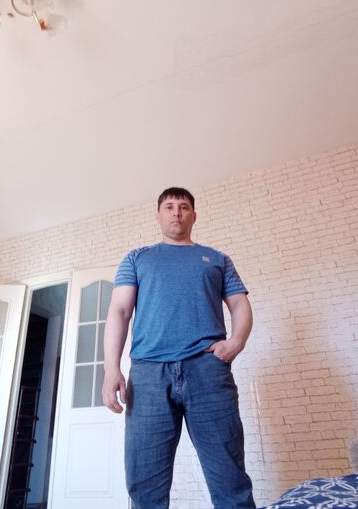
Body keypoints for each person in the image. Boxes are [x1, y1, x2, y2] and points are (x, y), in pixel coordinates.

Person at [102, 187, 255, 509]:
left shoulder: (217, 259)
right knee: (144, 483)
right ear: (158, 216)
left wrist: (236, 342)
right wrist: (111, 368)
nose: (176, 212)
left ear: (193, 216)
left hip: (207, 370)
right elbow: (119, 311)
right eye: (169, 207)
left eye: (183, 207)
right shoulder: (137, 258)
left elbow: (240, 304)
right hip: (148, 374)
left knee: (229, 476)